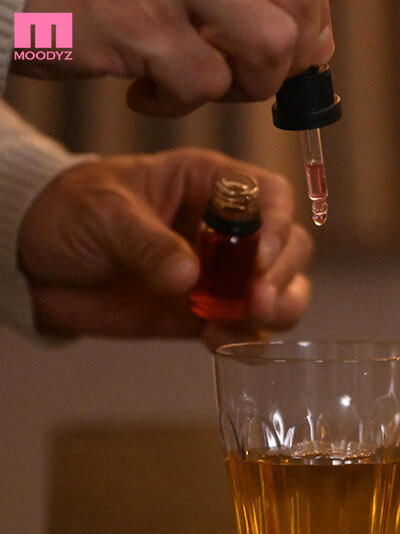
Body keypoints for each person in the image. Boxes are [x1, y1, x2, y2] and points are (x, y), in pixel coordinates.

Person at [0, 0, 333, 346]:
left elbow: (27, 36)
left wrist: (26, 204)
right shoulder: (39, 33)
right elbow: (31, 36)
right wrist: (22, 18)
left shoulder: (34, 33)